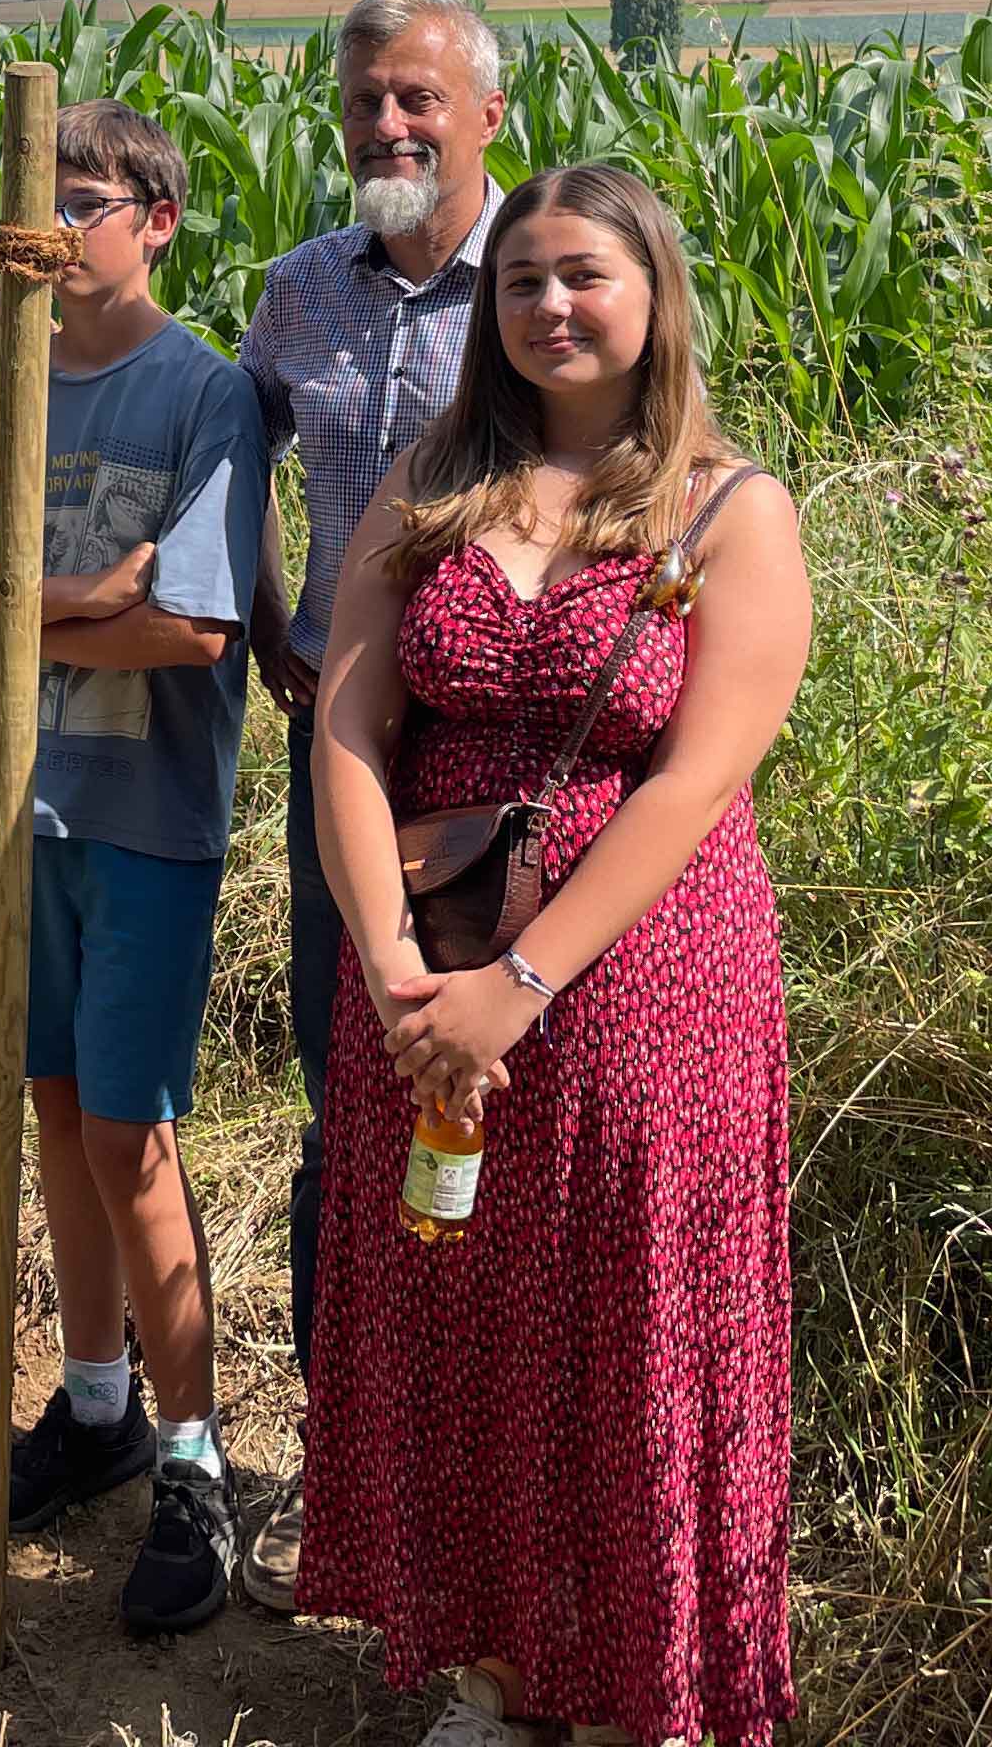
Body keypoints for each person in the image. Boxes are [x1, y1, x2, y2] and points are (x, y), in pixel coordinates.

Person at [297, 163, 811, 1747]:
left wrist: (516, 990)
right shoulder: (432, 486)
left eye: (582, 275)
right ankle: (500, 1675)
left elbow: (697, 777)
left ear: (653, 293)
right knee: (464, 1322)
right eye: (520, 280)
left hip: (649, 986)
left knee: (629, 1329)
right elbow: (349, 724)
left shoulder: (733, 511)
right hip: (427, 974)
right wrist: (393, 965)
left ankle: (635, 1690)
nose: (548, 307)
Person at [0, 100, 268, 1638]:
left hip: (142, 819)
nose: (47, 235)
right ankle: (98, 1401)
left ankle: (193, 1459)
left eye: (86, 201)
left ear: (156, 219)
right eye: (32, 210)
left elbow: (194, 626)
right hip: (12, 815)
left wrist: (25, 594)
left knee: (132, 1139)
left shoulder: (204, 398)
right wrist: (77, 588)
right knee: (47, 1119)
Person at [233, 0, 510, 1609]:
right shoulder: (294, 297)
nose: (388, 130)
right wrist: (271, 619)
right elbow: (233, 464)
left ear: (487, 115)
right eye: (364, 107)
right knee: (356, 1103)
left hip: (502, 767)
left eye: (418, 100)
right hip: (345, 758)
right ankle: (355, 1477)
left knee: (501, 1110)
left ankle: (487, 1492)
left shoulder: (542, 284)